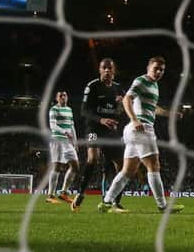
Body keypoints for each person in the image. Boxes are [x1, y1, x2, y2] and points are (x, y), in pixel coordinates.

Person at [98, 56, 185, 214]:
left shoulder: (154, 86)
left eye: (162, 70)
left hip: (134, 130)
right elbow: (126, 99)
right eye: (156, 68)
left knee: (127, 171)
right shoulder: (141, 81)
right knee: (154, 165)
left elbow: (153, 108)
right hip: (141, 128)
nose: (158, 72)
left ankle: (106, 202)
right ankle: (162, 206)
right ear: (148, 68)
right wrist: (135, 120)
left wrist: (169, 113)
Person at [71, 58, 126, 212]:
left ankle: (115, 202)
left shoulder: (118, 88)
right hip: (94, 127)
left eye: (110, 68)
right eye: (104, 68)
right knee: (93, 158)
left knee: (121, 165)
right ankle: (80, 193)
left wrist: (121, 104)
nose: (107, 70)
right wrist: (101, 119)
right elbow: (84, 111)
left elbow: (121, 110)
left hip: (110, 130)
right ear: (100, 70)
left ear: (114, 71)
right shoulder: (92, 86)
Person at [45, 91, 79, 205]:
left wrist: (75, 141)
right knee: (57, 167)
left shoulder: (69, 110)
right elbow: (53, 125)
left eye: (65, 95)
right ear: (56, 98)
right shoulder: (53, 109)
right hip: (57, 139)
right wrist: (65, 132)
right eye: (60, 95)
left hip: (68, 141)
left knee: (75, 166)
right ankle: (50, 195)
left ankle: (64, 192)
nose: (63, 97)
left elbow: (72, 126)